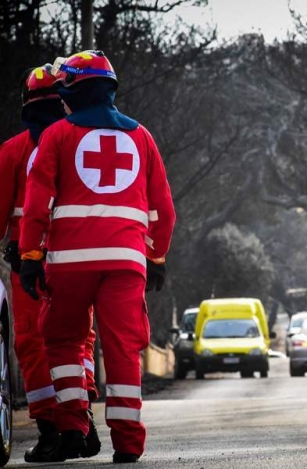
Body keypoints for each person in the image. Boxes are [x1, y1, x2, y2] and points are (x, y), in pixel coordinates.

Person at [19, 50, 176, 463]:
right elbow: (163, 210)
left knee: (64, 340)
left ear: (70, 92)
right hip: (126, 261)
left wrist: (31, 254)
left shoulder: (57, 135)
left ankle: (72, 428)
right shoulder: (141, 136)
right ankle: (127, 444)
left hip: (69, 261)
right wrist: (156, 257)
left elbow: (37, 204)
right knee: (123, 348)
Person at [0, 65, 102, 462]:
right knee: (78, 339)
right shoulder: (84, 142)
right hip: (74, 258)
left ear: (25, 104)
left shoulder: (11, 151)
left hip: (28, 263)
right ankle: (81, 420)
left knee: (33, 342)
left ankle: (49, 431)